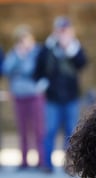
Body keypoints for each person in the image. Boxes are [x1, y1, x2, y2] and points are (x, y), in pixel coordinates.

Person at [33, 16, 88, 172]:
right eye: (60, 30)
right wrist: (41, 83)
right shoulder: (47, 49)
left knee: (71, 132)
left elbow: (82, 64)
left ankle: (69, 164)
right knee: (49, 131)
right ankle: (47, 165)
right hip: (52, 98)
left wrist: (70, 49)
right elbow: (38, 70)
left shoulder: (76, 48)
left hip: (71, 97)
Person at [2, 24, 47, 170]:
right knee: (22, 129)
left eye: (27, 39)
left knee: (38, 129)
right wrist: (18, 56)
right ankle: (24, 161)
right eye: (22, 40)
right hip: (19, 95)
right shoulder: (14, 54)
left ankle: (41, 159)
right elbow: (6, 69)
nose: (25, 43)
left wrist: (25, 61)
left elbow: (36, 69)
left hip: (34, 95)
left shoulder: (37, 52)